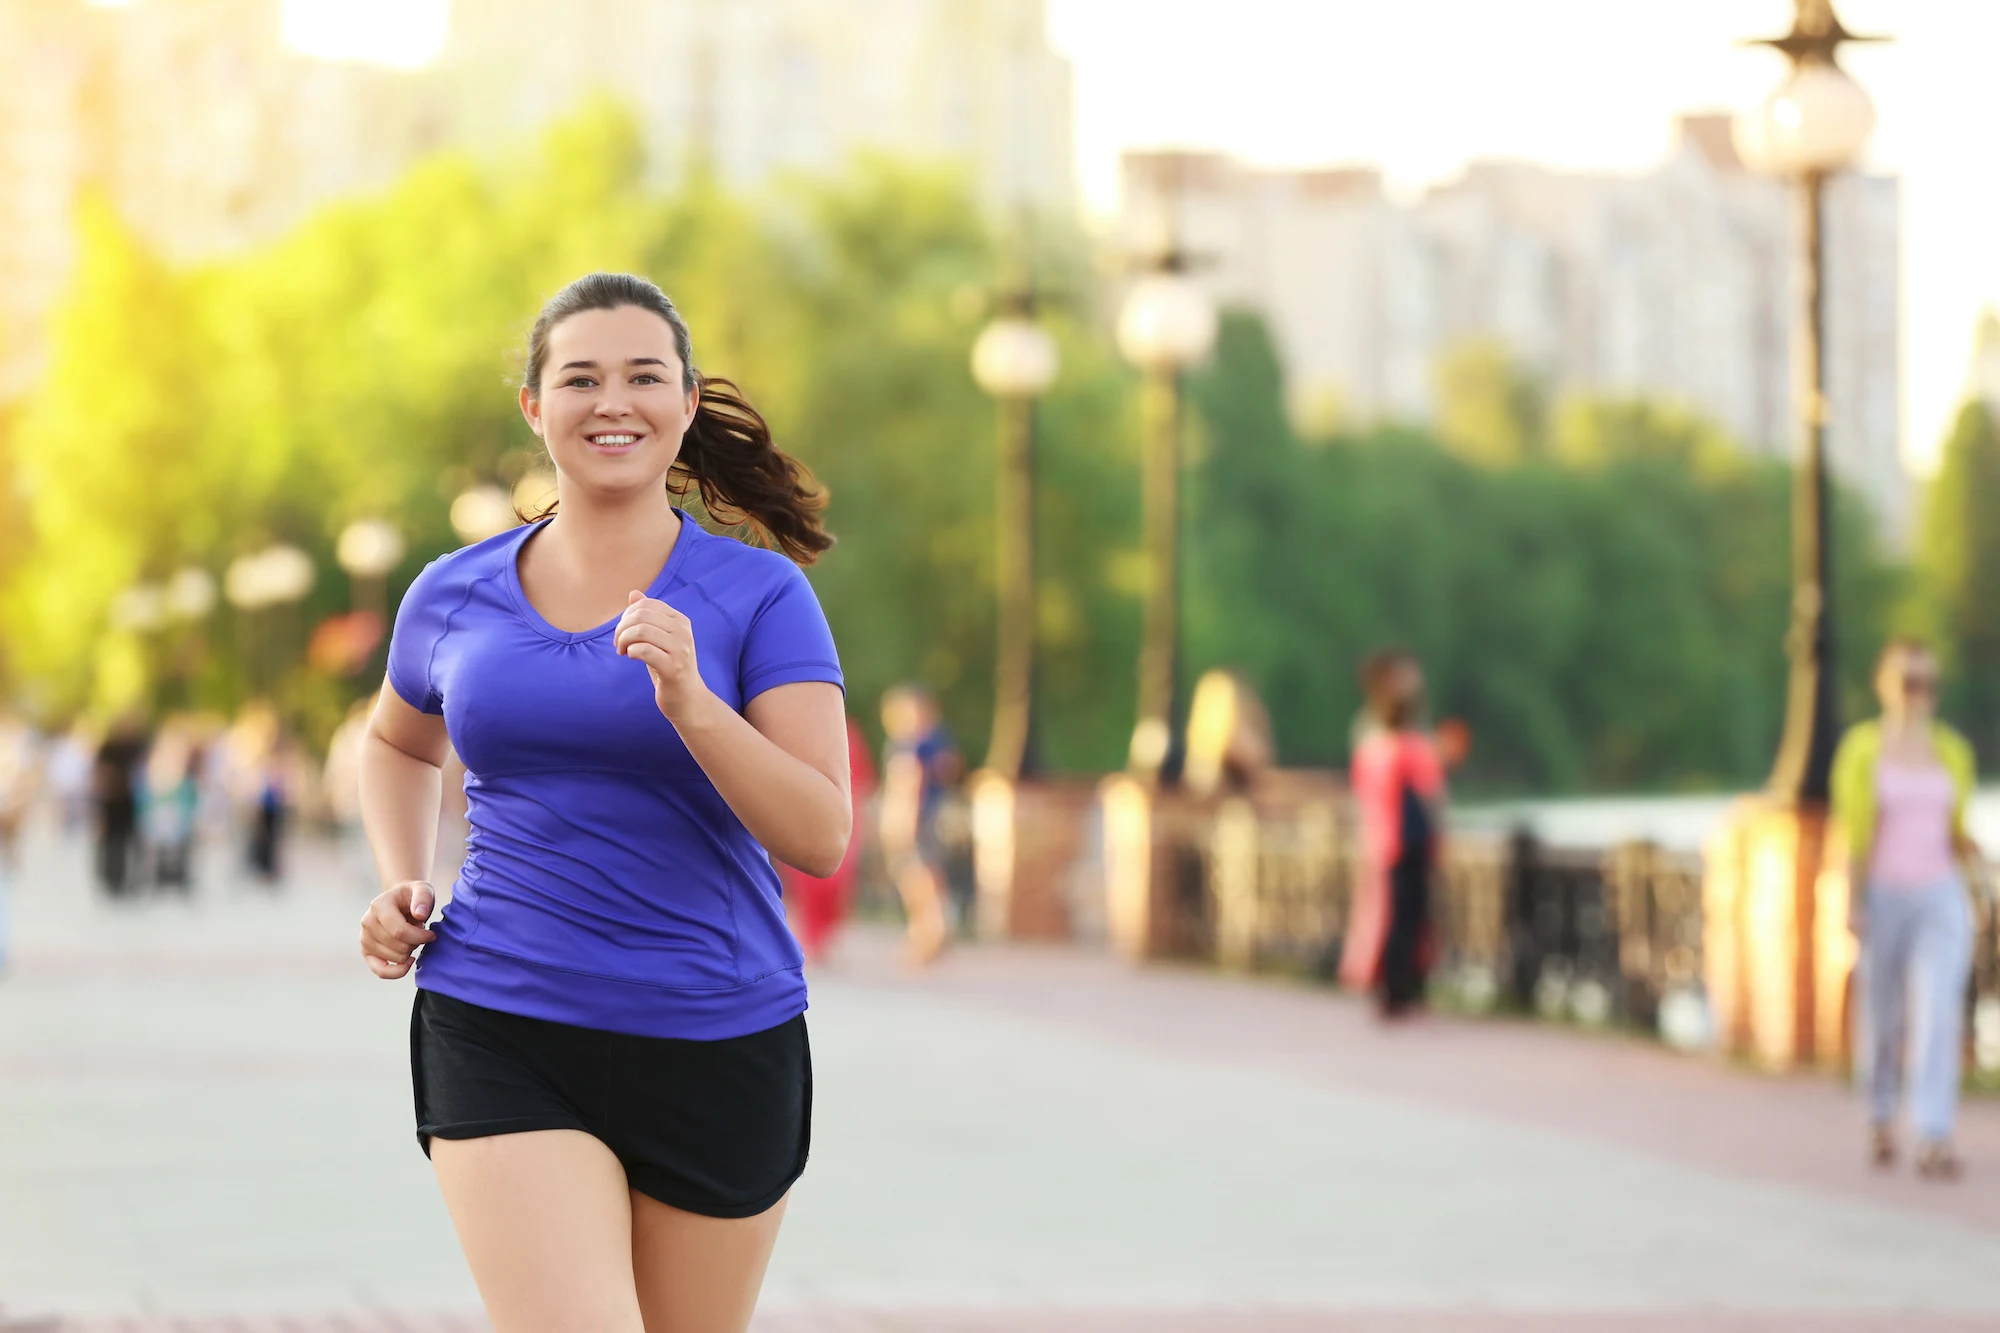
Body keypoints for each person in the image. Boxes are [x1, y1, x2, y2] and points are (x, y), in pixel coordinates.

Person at [357, 272, 847, 1331]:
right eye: (578, 377)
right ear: (535, 407)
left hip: (718, 1038)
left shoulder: (764, 597)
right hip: (500, 1016)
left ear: (681, 402)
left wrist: (693, 704)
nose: (610, 401)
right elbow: (396, 741)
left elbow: (818, 833)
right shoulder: (451, 591)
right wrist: (403, 875)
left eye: (641, 376)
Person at [1831, 637, 1984, 1181]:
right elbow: (1852, 836)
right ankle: (1879, 1115)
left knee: (1937, 1011)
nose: (1919, 694)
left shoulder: (1953, 752)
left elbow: (1952, 825)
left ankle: (1933, 1133)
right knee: (1883, 1016)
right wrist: (1852, 900)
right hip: (1884, 893)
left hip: (1940, 894)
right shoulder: (1861, 752)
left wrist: (1974, 857)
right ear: (1884, 685)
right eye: (1908, 681)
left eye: (1928, 683)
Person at [1339, 650, 1447, 1016]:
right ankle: (1403, 984)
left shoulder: (1370, 747)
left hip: (1381, 842)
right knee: (1408, 916)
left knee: (1388, 915)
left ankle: (1387, 981)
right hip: (1408, 843)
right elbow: (1431, 796)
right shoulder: (1411, 748)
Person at [779, 716, 877, 964]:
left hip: (844, 812)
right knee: (806, 878)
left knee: (836, 879)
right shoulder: (791, 725)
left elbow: (863, 780)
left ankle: (827, 934)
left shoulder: (848, 732)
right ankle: (812, 937)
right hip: (803, 809)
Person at [878, 684, 961, 964]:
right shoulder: (908, 743)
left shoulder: (921, 745)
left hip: (918, 817)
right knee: (916, 875)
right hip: (916, 816)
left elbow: (910, 785)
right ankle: (928, 929)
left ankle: (931, 930)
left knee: (920, 875)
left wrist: (903, 822)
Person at [91, 713, 149, 898]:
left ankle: (131, 880)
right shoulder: (108, 748)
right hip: (112, 801)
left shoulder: (138, 746)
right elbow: (98, 772)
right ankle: (112, 879)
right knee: (112, 843)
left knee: (131, 842)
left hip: (132, 803)